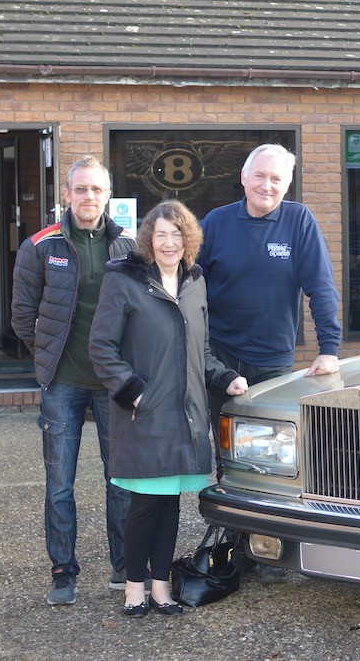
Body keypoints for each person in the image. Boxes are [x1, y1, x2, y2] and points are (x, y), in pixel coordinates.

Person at [89, 200, 249, 617]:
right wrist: (132, 391)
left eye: (177, 234)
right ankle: (133, 587)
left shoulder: (196, 281)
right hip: (145, 413)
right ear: (148, 239)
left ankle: (161, 586)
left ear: (188, 240)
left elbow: (203, 350)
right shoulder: (123, 280)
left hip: (186, 414)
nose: (169, 242)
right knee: (144, 505)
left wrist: (224, 377)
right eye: (160, 234)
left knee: (170, 504)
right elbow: (101, 347)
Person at [11, 156, 135, 606]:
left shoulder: (128, 247)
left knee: (119, 479)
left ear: (108, 195)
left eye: (97, 190)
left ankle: (124, 566)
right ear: (67, 195)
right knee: (59, 483)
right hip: (62, 382)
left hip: (112, 385)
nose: (88, 197)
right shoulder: (41, 245)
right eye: (80, 189)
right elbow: (23, 316)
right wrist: (50, 358)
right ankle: (63, 571)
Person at [199, 143, 341, 450]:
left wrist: (329, 348)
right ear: (243, 178)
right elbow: (192, 288)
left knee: (271, 450)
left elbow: (321, 287)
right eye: (259, 176)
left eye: (276, 179)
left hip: (272, 361)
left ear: (287, 184)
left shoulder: (299, 221)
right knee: (226, 449)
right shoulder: (216, 222)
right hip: (220, 358)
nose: (267, 186)